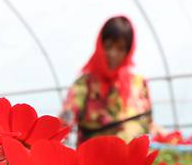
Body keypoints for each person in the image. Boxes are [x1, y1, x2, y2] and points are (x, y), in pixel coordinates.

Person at [61, 15, 157, 144]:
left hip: (132, 162)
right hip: (95, 161)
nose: (113, 54)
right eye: (108, 47)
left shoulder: (138, 84)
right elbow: (67, 117)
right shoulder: (85, 84)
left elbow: (149, 123)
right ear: (100, 45)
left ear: (128, 51)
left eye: (120, 49)